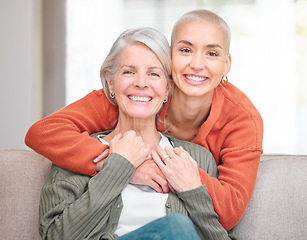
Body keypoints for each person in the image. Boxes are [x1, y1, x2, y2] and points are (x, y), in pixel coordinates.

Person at [26, 9, 263, 230]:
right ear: (169, 58)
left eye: (212, 53)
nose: (197, 64)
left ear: (226, 64)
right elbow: (43, 133)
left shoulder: (242, 121)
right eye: (185, 50)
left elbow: (230, 209)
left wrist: (182, 174)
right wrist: (125, 165)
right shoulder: (136, 97)